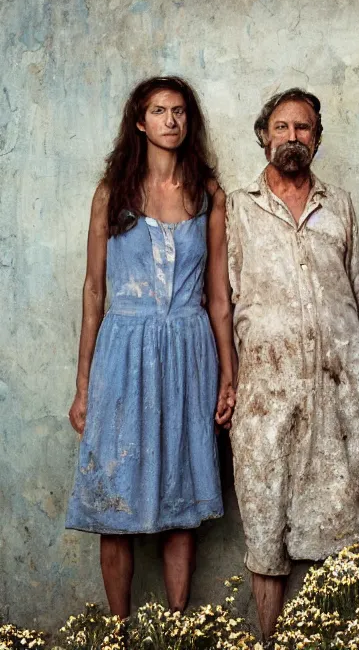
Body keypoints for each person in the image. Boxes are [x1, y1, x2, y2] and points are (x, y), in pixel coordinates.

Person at [65, 76, 236, 618]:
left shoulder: (208, 194)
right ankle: (118, 633)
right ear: (140, 122)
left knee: (180, 496)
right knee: (114, 496)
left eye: (180, 111)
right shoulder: (111, 193)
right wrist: (84, 385)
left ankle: (178, 629)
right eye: (160, 111)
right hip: (124, 348)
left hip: (189, 353)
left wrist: (229, 375)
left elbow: (218, 295)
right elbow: (95, 290)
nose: (171, 121)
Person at [226, 88, 359, 639]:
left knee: (332, 524)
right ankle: (270, 639)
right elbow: (222, 301)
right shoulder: (238, 207)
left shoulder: (339, 207)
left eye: (304, 128)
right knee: (267, 531)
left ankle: (321, 639)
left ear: (317, 137)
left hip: (335, 388)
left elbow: (357, 297)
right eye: (283, 127)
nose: (293, 137)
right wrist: (227, 380)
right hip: (264, 392)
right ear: (265, 134)